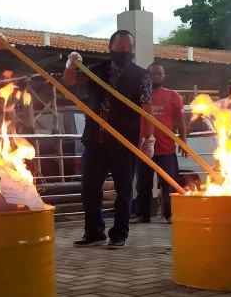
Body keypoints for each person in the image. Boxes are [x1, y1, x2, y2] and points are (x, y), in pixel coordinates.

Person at [63, 30, 154, 249]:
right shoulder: (96, 70)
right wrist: (71, 63)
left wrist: (147, 139)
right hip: (94, 140)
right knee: (89, 188)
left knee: (123, 190)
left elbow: (147, 110)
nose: (124, 50)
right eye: (119, 46)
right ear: (110, 48)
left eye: (128, 47)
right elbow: (69, 81)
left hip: (124, 141)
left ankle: (119, 234)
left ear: (133, 50)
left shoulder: (141, 75)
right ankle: (94, 232)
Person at [131, 64, 187, 224]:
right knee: (143, 184)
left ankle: (170, 215)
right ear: (146, 76)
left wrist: (183, 141)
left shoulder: (173, 96)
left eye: (159, 73)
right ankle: (143, 215)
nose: (156, 76)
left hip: (166, 149)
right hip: (143, 149)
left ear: (164, 76)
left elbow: (180, 121)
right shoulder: (138, 96)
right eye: (152, 73)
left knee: (169, 184)